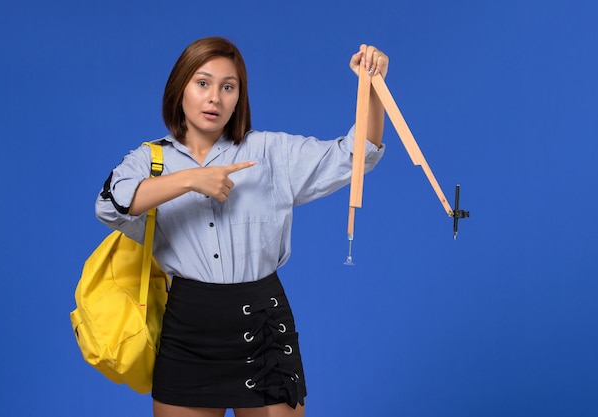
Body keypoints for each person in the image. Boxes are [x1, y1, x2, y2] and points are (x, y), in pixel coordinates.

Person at [95, 36, 389, 417]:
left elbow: (358, 154)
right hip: (188, 330)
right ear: (179, 88)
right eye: (202, 83)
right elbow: (109, 204)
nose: (214, 97)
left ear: (238, 97)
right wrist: (190, 180)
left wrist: (373, 87)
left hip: (264, 323)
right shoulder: (150, 160)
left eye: (228, 87)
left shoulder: (271, 152)